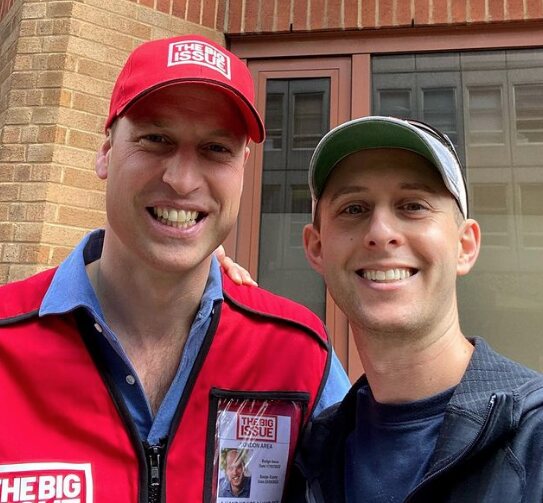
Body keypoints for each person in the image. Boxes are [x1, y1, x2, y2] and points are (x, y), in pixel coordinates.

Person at [0, 34, 349, 502]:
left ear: (243, 168)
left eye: (215, 149)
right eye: (156, 139)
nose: (182, 180)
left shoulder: (299, 355)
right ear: (106, 152)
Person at [287, 116, 543, 502]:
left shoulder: (533, 437)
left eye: (413, 205)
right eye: (354, 208)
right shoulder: (311, 453)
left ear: (465, 245)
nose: (381, 232)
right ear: (317, 249)